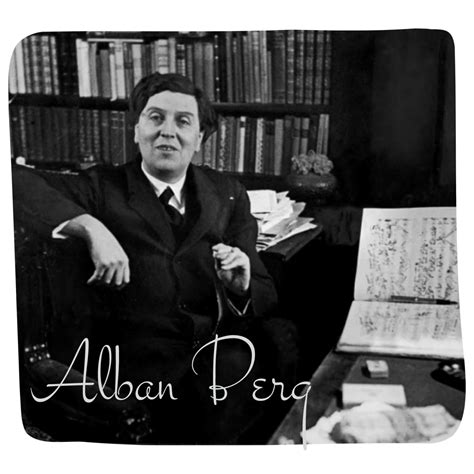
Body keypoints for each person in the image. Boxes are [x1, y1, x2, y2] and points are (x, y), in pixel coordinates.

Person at [12, 73, 296, 444]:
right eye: (155, 117)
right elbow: (13, 179)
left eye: (183, 121)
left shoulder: (227, 194)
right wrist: (89, 226)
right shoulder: (101, 187)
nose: (167, 132)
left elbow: (263, 291)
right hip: (132, 368)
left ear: (200, 138)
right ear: (136, 131)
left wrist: (239, 288)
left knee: (270, 358)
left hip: (212, 357)